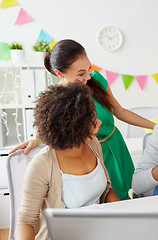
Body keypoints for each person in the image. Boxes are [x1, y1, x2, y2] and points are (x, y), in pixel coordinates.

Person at [9, 39, 156, 200]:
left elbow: (119, 111)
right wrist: (35, 141)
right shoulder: (53, 100)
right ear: (59, 73)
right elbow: (46, 130)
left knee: (125, 197)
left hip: (115, 146)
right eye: (81, 73)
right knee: (101, 201)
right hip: (89, 155)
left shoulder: (96, 81)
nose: (88, 76)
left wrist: (156, 126)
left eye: (88, 69)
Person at [15, 82, 120, 240]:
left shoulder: (93, 144)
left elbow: (106, 192)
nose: (99, 122)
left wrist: (125, 215)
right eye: (92, 121)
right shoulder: (42, 165)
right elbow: (26, 222)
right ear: (74, 128)